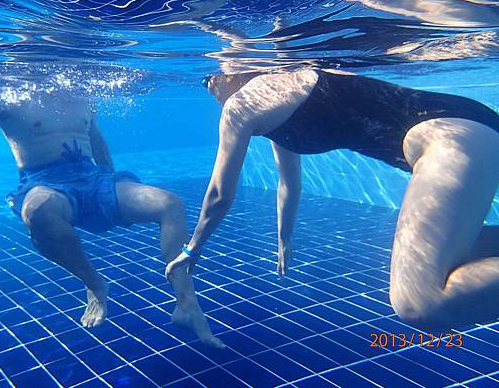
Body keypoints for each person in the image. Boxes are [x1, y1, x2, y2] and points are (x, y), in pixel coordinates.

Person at [166, 68, 499, 331]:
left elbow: (220, 193)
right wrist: (284, 237)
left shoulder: (243, 104)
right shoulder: (272, 96)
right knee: (453, 262)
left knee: (419, 302)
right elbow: (288, 183)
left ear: (235, 72)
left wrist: (190, 250)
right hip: (463, 129)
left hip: (446, 134)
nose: (209, 86)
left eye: (209, 79)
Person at [0, 89, 223, 348]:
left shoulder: (79, 87)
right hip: (44, 181)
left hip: (94, 180)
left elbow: (95, 139)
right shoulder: (5, 90)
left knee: (169, 203)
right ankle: (94, 283)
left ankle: (186, 303)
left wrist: (112, 185)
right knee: (38, 211)